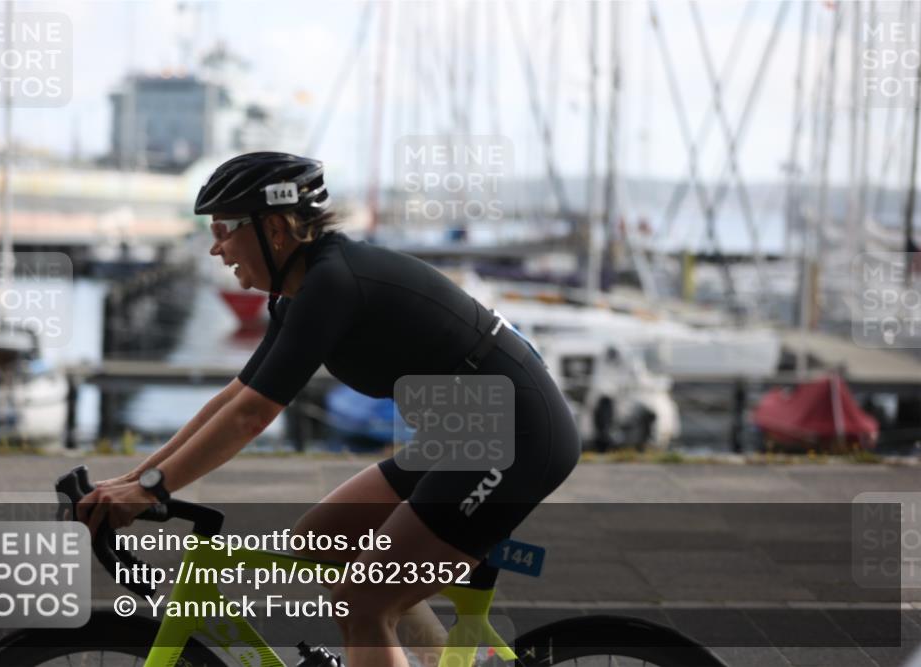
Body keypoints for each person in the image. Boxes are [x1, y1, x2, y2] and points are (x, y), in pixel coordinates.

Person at [77, 151, 580, 667]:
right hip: (466, 435)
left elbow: (253, 417)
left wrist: (152, 489)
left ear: (273, 228)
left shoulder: (333, 282)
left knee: (362, 602)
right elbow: (233, 397)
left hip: (516, 436)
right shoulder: (299, 293)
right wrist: (136, 480)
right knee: (318, 544)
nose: (214, 247)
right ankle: (437, 661)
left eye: (225, 228)